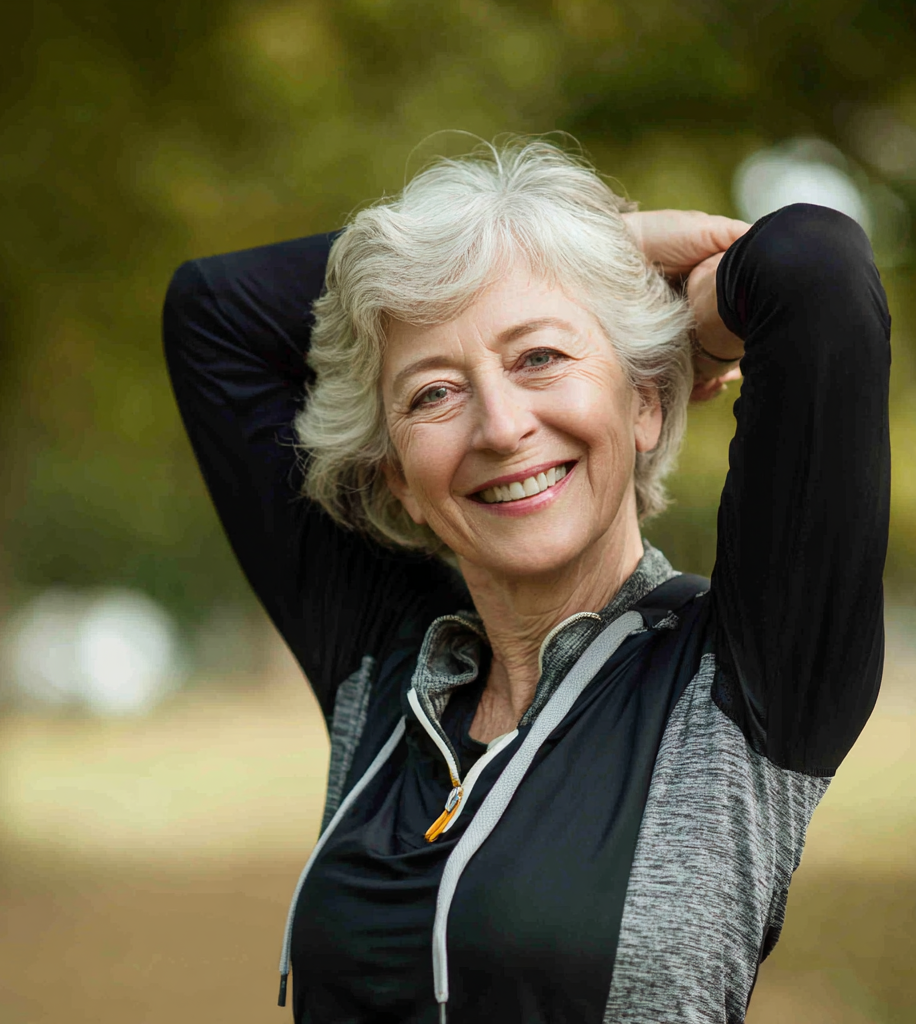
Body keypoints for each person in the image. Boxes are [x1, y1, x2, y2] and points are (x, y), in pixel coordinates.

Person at [163, 140, 890, 1024]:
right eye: (434, 393)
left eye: (540, 356)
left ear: (644, 401)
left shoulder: (744, 675)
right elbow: (211, 312)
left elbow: (811, 264)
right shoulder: (386, 664)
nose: (502, 427)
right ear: (400, 480)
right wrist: (590, 244)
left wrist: (600, 256)